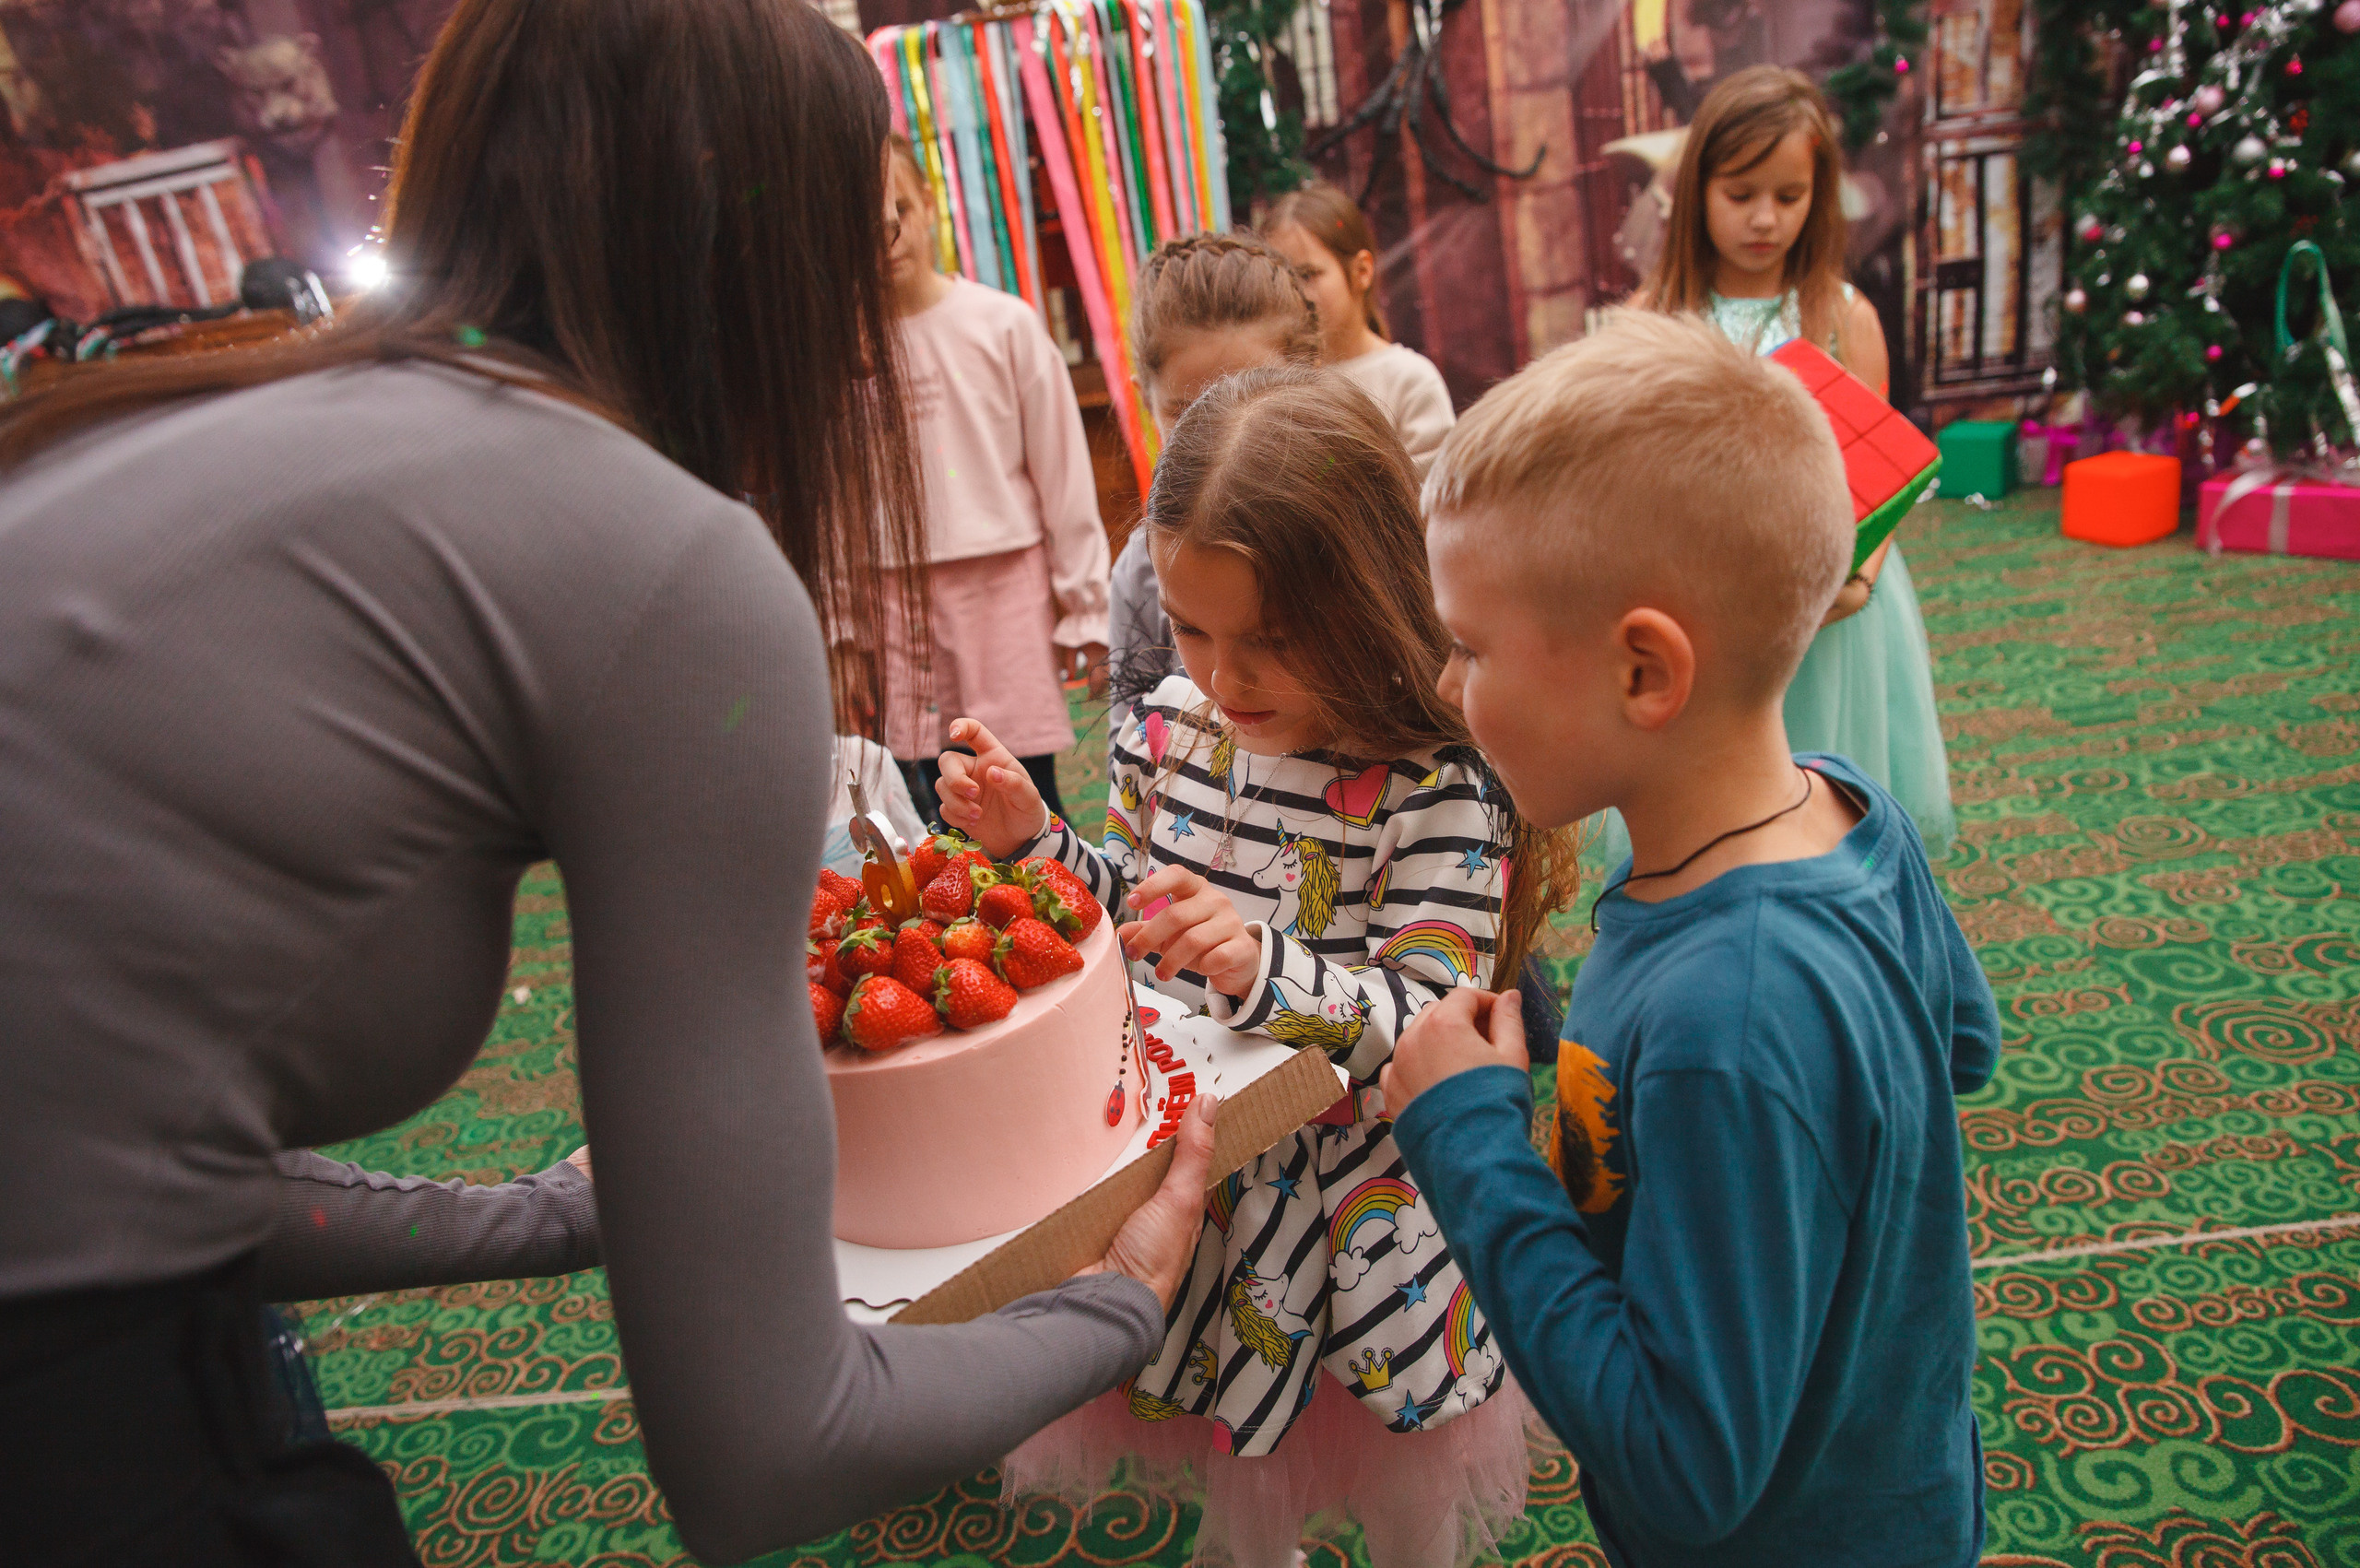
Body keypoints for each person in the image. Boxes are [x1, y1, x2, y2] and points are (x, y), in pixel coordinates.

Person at [0, 0, 1216, 1561]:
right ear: (760, 243)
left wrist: (545, 1211)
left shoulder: (182, 420)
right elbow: (767, 1453)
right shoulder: (667, 563)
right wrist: (1118, 1306)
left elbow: (109, 1146)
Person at [1383, 311, 2000, 1566]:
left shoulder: (1733, 1018)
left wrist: (1470, 1143)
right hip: (1901, 1477)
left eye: (1472, 645)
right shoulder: (1842, 805)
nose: (1450, 689)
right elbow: (1960, 1044)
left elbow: (1684, 1461)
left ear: (1643, 674)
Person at [938, 368, 1579, 1568]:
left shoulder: (1436, 788)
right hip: (1218, 1208)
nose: (1225, 679)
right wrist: (1038, 841)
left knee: (1407, 1501)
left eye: (1272, 643)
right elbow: (1138, 907)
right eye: (1190, 628)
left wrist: (1261, 963)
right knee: (1242, 1480)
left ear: (1370, 599)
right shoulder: (1173, 728)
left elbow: (1428, 1014)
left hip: (1371, 1224)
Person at [1632, 65, 1955, 857]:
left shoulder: (1844, 317)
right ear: (1697, 188)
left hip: (1838, 609)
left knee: (1834, 804)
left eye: (1789, 195)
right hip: (1708, 608)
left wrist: (1862, 576)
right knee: (1712, 818)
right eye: (1740, 195)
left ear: (1820, 194)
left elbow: (1883, 472)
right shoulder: (1655, 321)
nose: (1765, 219)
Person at [872, 136, 1109, 822]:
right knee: (921, 792)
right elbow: (834, 506)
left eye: (895, 219)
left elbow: (1061, 474)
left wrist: (1084, 604)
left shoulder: (1003, 324)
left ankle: (1058, 911)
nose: (883, 245)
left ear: (927, 207)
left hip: (1003, 584)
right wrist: (845, 633)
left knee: (1018, 780)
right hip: (890, 595)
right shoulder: (840, 347)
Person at [1106, 233, 1320, 753]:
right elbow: (1130, 748)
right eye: (1186, 410)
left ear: (1314, 381)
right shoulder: (1141, 569)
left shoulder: (1358, 542)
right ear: (1144, 400)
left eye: (1254, 397)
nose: (1218, 430)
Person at [1262, 183, 1455, 477]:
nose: (1294, 293)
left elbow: (1432, 502)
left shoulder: (1410, 381)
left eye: (1307, 274)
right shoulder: (1274, 385)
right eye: (1280, 279)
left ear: (1362, 270)